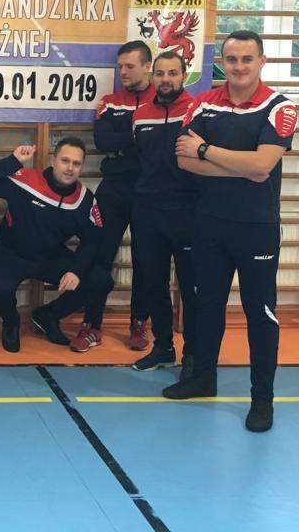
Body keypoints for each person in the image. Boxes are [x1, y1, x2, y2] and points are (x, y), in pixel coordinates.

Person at [163, 30, 297, 434]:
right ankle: (203, 378)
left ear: (261, 62)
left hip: (256, 227)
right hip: (210, 223)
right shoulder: (203, 103)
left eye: (247, 59)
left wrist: (207, 151)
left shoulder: (279, 106)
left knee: (260, 313)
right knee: (206, 306)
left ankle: (262, 399)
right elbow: (184, 162)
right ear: (222, 62)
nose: (239, 67)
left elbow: (262, 166)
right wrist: (242, 166)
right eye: (232, 59)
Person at [0, 137, 110, 353]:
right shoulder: (24, 180)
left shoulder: (84, 199)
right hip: (11, 253)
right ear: (53, 161)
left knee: (100, 280)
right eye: (65, 160)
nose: (70, 168)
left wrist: (76, 271)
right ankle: (11, 321)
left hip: (50, 257)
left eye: (76, 163)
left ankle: (47, 316)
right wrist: (13, 160)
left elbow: (92, 240)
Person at [129, 51, 199, 377]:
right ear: (151, 76)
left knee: (191, 286)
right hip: (147, 212)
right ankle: (163, 348)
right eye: (160, 73)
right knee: (153, 283)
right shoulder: (140, 115)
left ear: (184, 76)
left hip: (187, 212)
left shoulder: (197, 111)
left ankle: (194, 354)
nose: (166, 79)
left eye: (172, 73)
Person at [86, 40, 153, 353]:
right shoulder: (109, 102)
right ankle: (91, 322)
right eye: (120, 66)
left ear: (147, 66)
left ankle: (139, 321)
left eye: (130, 66)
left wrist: (123, 137)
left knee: (145, 259)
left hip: (150, 189)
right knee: (100, 254)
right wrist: (141, 134)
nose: (123, 71)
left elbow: (165, 143)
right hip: (113, 187)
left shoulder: (162, 102)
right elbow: (102, 141)